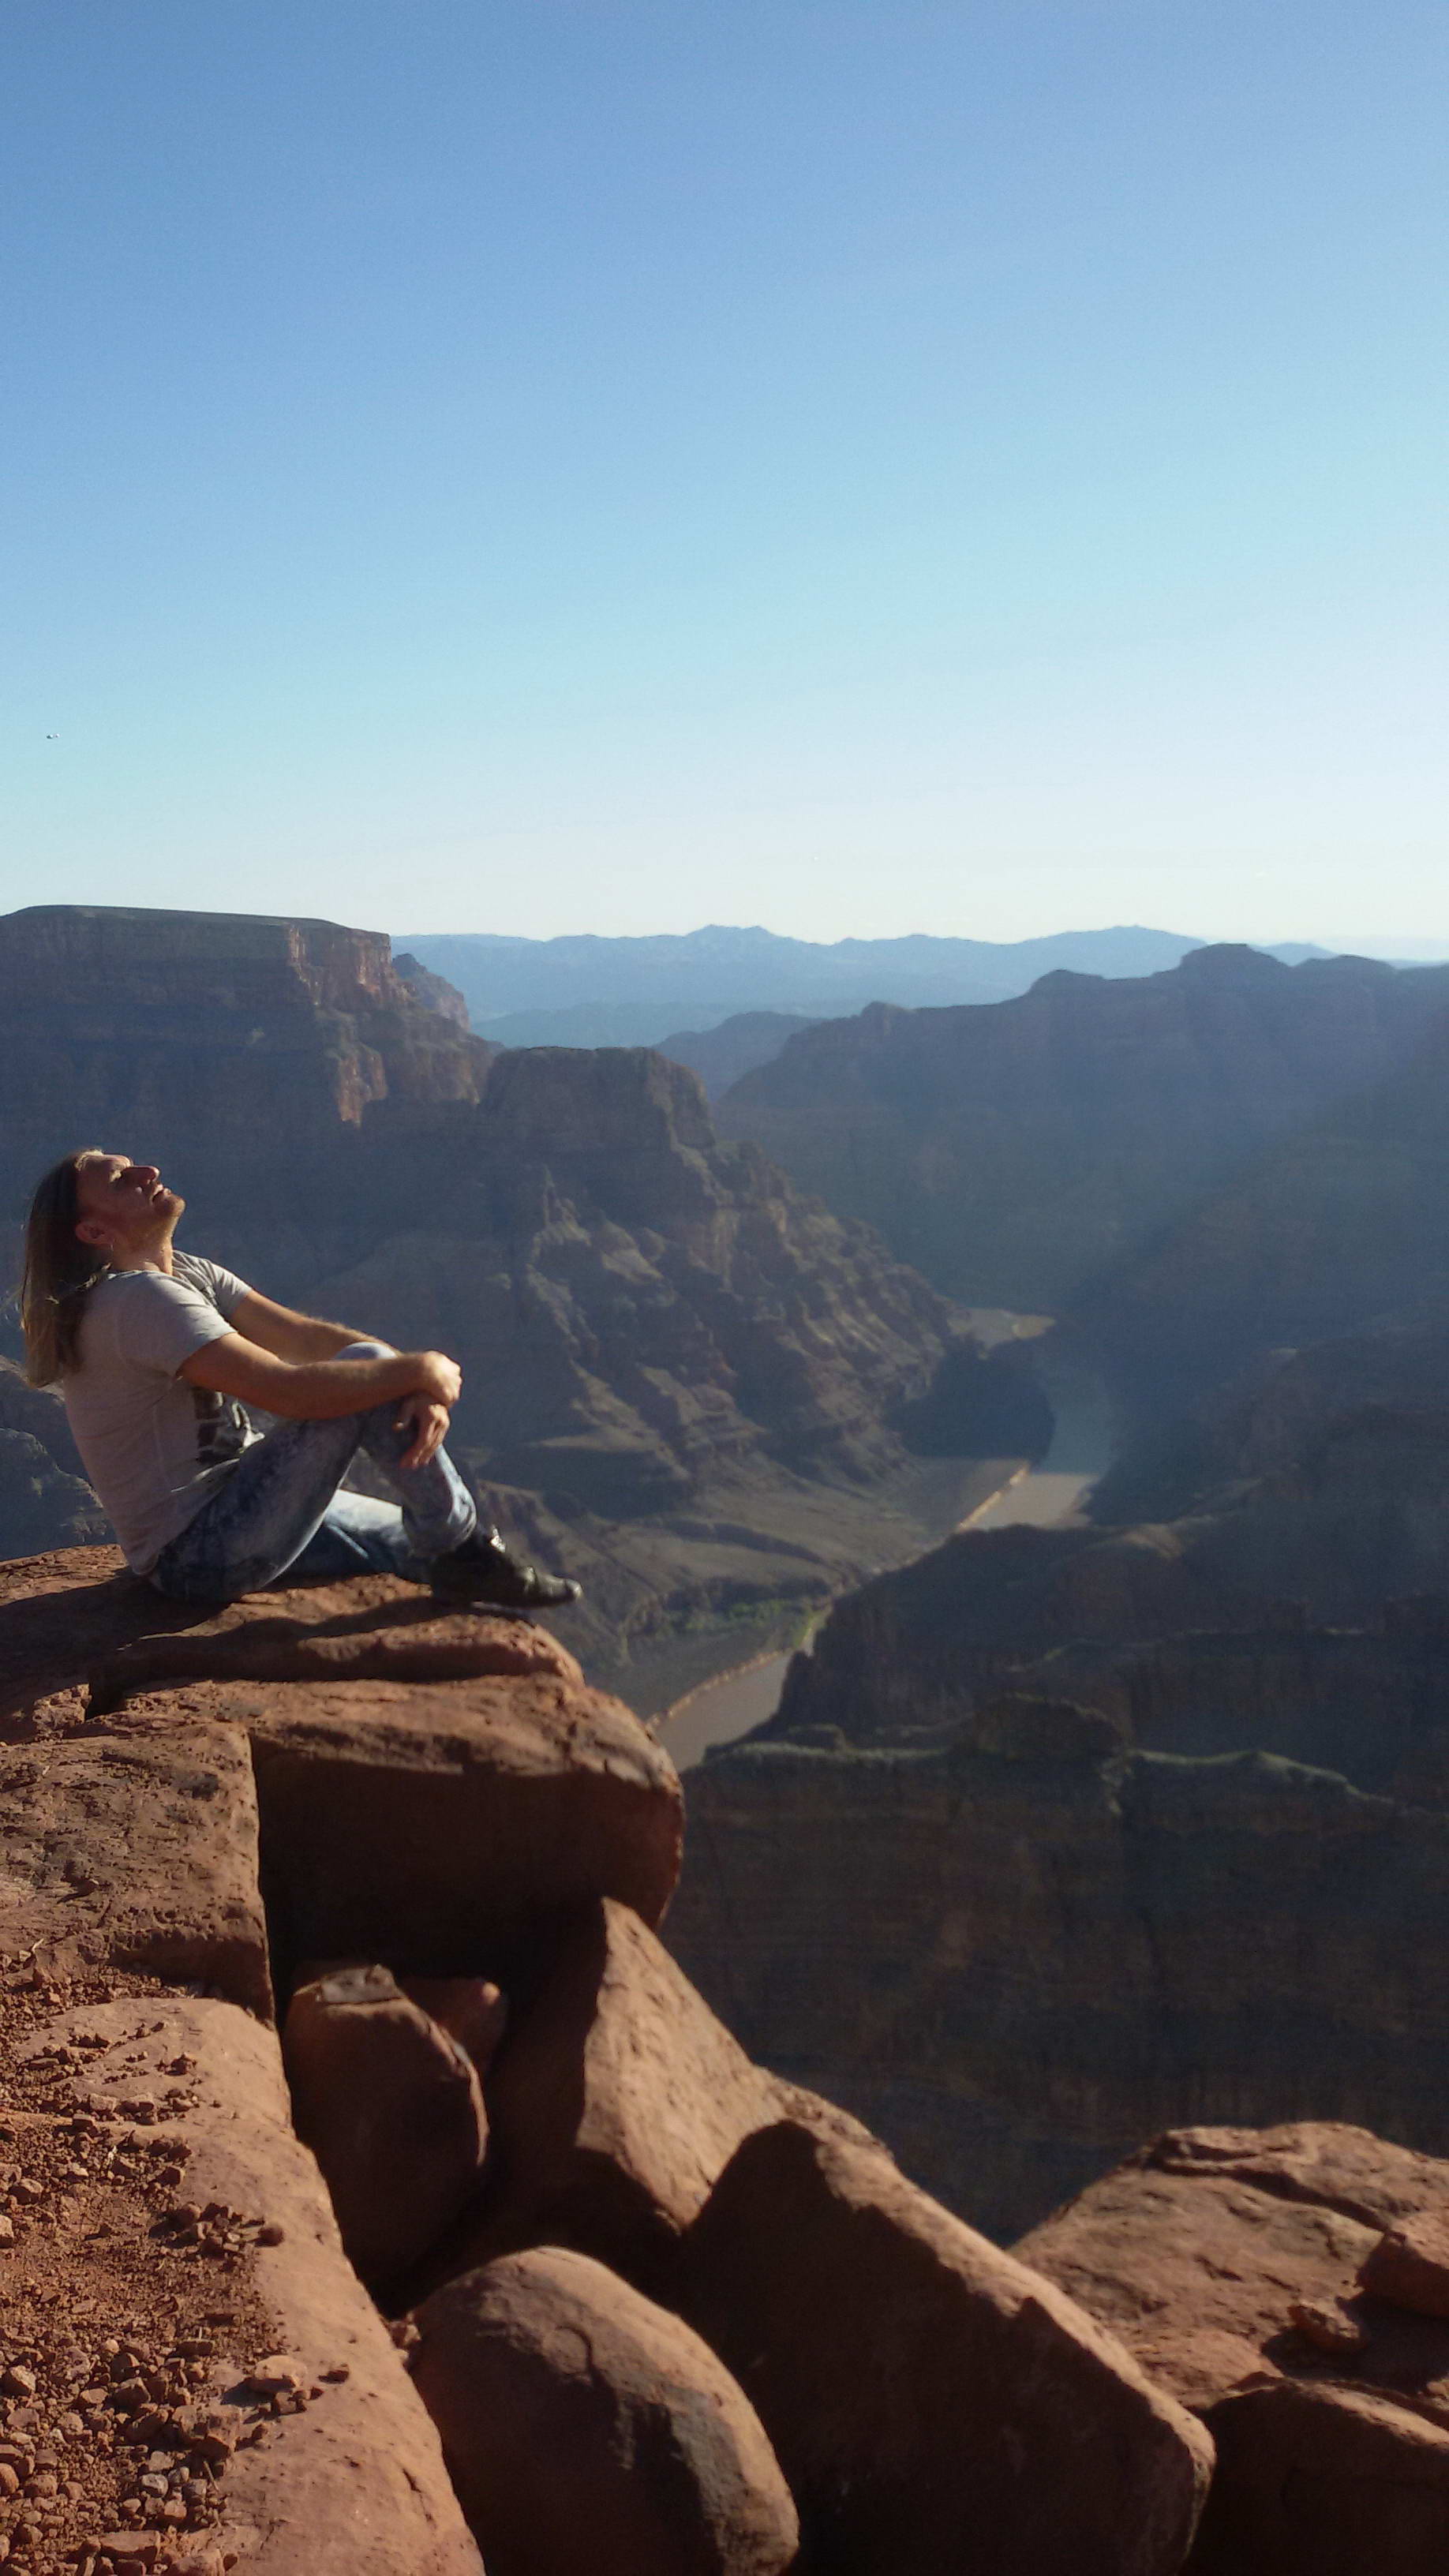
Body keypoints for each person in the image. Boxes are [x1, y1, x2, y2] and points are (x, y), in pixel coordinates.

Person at [19, 1148, 582, 1613]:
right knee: (368, 1380)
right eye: (122, 1181)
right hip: (195, 1553)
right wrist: (420, 1369)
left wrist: (409, 1385)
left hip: (255, 1500)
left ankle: (462, 1555)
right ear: (94, 1230)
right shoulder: (135, 1300)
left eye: (134, 1165)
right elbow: (288, 1391)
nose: (149, 1173)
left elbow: (308, 1339)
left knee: (424, 1558)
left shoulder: (185, 1272)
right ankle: (464, 1548)